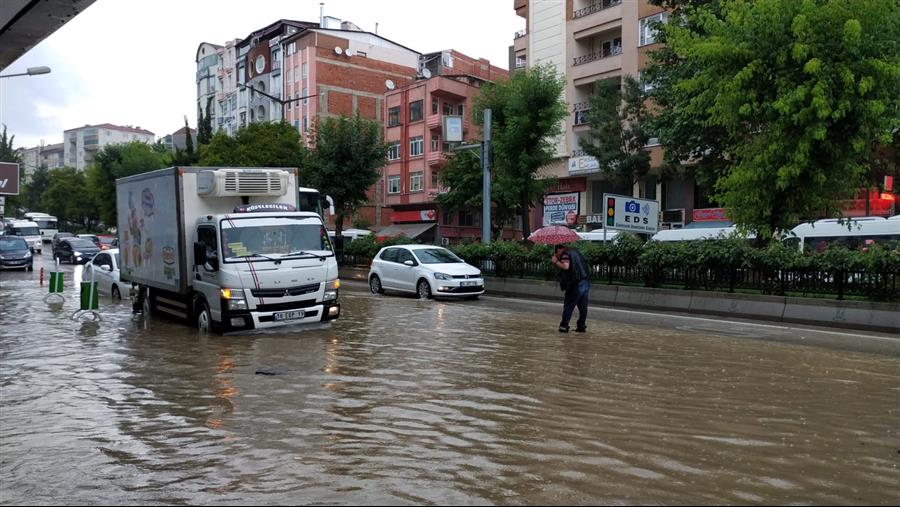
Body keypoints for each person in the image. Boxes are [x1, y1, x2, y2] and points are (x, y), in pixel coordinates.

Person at [551, 244, 591, 333]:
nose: (557, 256)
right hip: (585, 281)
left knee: (568, 305)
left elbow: (566, 266)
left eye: (556, 254)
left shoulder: (565, 254)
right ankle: (581, 326)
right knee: (583, 307)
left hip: (576, 284)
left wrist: (555, 261)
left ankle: (564, 326)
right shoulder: (576, 252)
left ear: (558, 251)